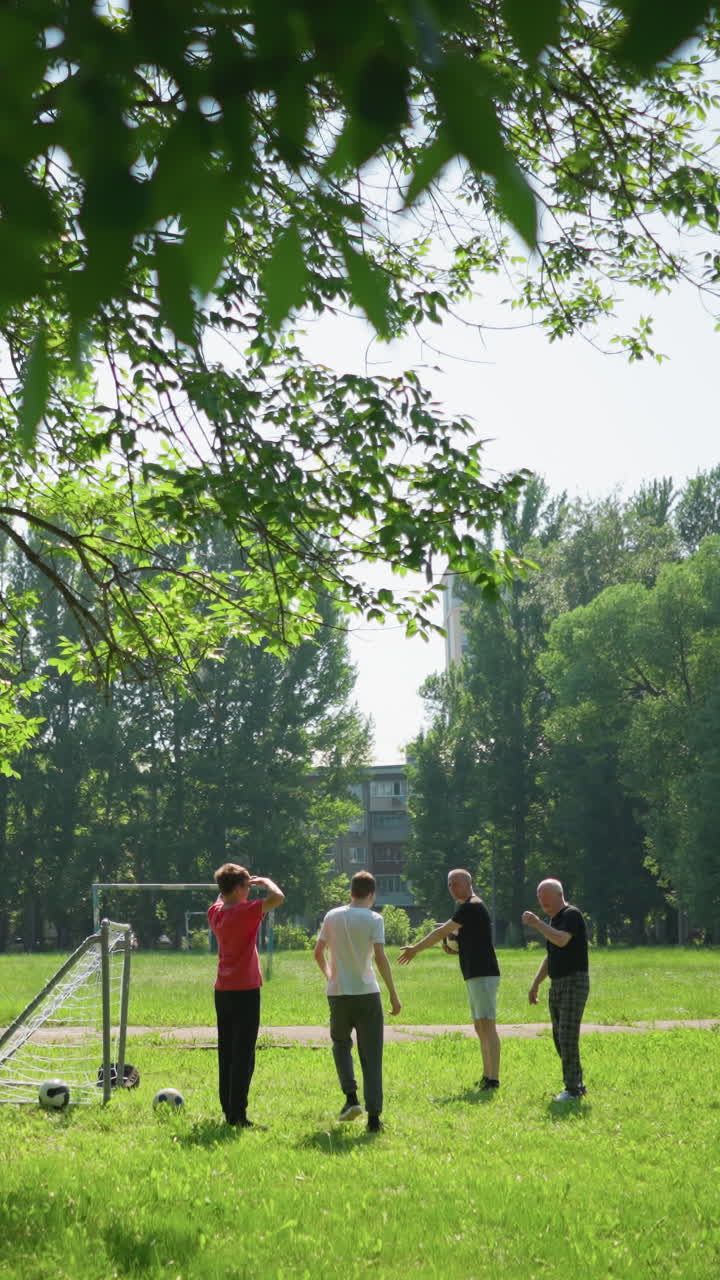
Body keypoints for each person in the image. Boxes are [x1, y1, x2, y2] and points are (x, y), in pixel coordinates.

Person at [314, 870, 402, 1133]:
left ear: (350, 891)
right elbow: (380, 958)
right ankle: (374, 1118)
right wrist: (394, 995)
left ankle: (351, 1098)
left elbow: (318, 953)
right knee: (371, 1055)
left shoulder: (332, 916)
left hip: (338, 994)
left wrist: (330, 975)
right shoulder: (374, 918)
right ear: (372, 894)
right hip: (367, 992)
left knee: (341, 1045)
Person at [398, 868, 501, 1091]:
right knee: (479, 1025)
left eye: (456, 883)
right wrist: (456, 949)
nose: (452, 888)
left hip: (484, 972)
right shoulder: (466, 908)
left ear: (468, 883)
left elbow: (440, 932)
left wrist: (415, 949)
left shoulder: (471, 906)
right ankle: (487, 1075)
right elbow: (465, 940)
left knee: (487, 1024)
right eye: (450, 884)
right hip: (474, 972)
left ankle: (494, 1079)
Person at [208, 862, 285, 1127]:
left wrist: (234, 884)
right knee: (244, 1054)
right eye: (247, 888)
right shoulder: (245, 911)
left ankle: (228, 1108)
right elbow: (278, 898)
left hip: (223, 990)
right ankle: (239, 1115)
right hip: (246, 990)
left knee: (226, 1051)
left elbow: (221, 898)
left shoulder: (214, 913)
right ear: (240, 888)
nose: (250, 893)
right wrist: (265, 882)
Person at [522, 878, 589, 1102]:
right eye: (539, 897)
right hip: (557, 983)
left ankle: (572, 1089)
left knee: (567, 1036)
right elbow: (552, 955)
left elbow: (562, 941)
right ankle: (576, 1082)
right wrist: (535, 984)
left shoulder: (571, 915)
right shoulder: (554, 920)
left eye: (545, 896)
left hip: (574, 981)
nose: (542, 901)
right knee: (559, 1037)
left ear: (559, 894)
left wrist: (537, 924)